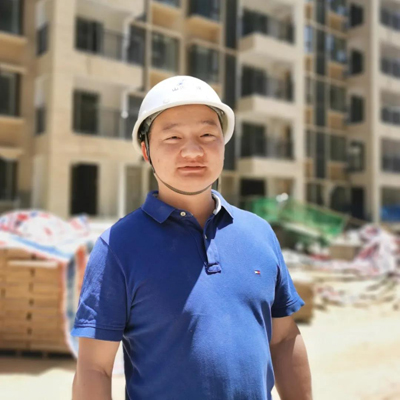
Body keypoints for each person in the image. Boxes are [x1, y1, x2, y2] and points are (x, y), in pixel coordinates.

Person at [71, 76, 312, 400]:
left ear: (223, 144)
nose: (193, 151)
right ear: (146, 150)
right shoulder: (118, 246)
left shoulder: (259, 233)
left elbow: (283, 339)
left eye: (207, 135)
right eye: (172, 137)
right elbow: (94, 369)